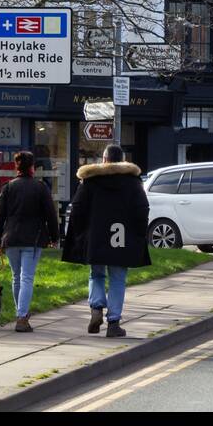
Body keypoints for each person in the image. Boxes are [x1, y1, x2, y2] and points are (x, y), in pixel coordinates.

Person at [61, 144, 151, 338]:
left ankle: (96, 308)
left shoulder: (90, 181)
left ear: (104, 159)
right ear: (123, 160)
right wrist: (139, 232)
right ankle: (113, 323)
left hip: (96, 237)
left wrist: (78, 233)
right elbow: (142, 209)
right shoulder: (133, 182)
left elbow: (77, 208)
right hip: (122, 238)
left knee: (96, 274)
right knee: (118, 279)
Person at [0, 150, 60, 333]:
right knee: (27, 277)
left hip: (11, 238)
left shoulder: (8, 187)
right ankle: (22, 317)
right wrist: (55, 237)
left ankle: (21, 313)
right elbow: (51, 215)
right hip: (33, 239)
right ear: (32, 167)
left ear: (16, 166)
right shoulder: (40, 187)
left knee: (16, 277)